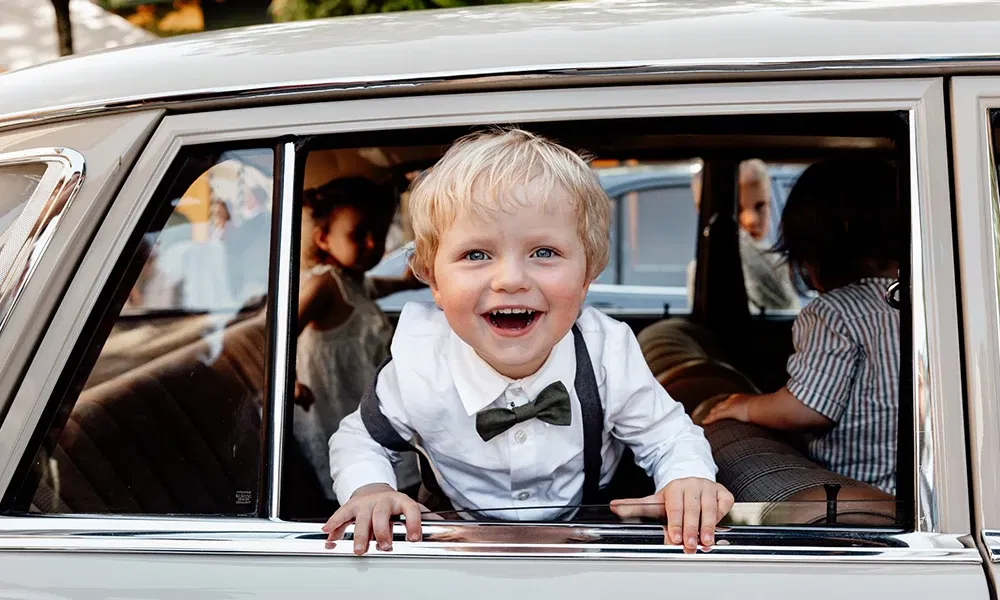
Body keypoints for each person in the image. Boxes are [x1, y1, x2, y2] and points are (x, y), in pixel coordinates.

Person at [322, 129, 732, 555]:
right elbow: (360, 438)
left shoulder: (607, 351)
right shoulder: (420, 364)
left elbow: (668, 435)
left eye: (544, 253)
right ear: (433, 280)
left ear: (587, 275)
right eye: (476, 255)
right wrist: (368, 488)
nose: (512, 280)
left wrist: (686, 477)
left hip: (584, 540)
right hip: (454, 545)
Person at [703, 158, 901, 496]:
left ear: (811, 256)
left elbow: (809, 408)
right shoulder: (913, 305)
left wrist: (746, 406)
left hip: (856, 488)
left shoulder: (833, 312)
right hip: (906, 486)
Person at [294, 176, 424, 502]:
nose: (371, 244)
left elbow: (383, 287)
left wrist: (409, 282)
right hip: (336, 401)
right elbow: (277, 331)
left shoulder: (355, 281)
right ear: (323, 239)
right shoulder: (324, 285)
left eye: (378, 235)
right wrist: (287, 378)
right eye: (358, 235)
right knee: (355, 457)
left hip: (359, 394)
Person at [687, 159, 799, 311]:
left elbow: (785, 306)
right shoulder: (704, 267)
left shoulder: (776, 256)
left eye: (760, 206)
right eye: (738, 209)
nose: (751, 219)